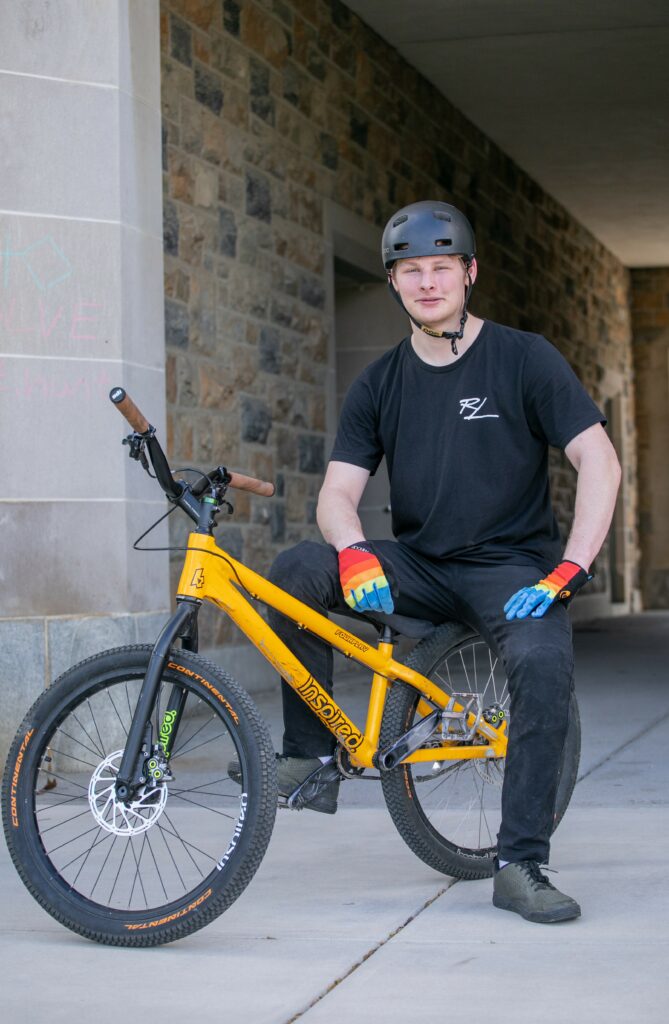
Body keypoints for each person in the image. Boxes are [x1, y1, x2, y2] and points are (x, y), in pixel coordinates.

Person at [244, 200, 621, 923]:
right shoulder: (380, 382)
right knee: (296, 571)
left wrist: (572, 566)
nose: (426, 282)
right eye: (410, 270)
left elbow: (597, 459)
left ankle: (520, 864)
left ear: (469, 273)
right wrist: (353, 550)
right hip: (418, 563)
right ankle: (311, 757)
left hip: (510, 570)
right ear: (392, 281)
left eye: (441, 267)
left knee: (543, 664)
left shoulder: (523, 357)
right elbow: (337, 494)